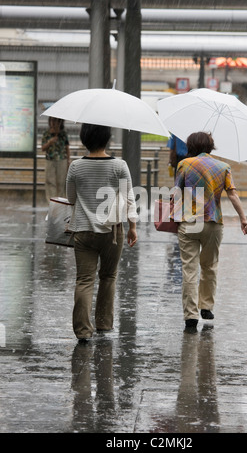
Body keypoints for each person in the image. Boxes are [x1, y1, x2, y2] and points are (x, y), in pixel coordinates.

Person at [66, 123, 138, 342]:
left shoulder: (76, 166)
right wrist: (132, 226)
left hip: (84, 230)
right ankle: (104, 324)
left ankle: (82, 331)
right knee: (108, 277)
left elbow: (71, 198)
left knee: (84, 280)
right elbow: (129, 198)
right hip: (112, 231)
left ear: (84, 139)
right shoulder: (119, 166)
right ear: (107, 139)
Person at [173, 132, 247, 331]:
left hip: (189, 221)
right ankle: (206, 306)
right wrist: (243, 219)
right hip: (213, 223)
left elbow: (176, 192)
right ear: (210, 146)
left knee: (189, 269)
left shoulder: (185, 164)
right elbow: (232, 195)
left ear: (191, 145)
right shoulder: (223, 167)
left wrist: (172, 214)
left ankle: (190, 316)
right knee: (210, 266)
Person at [41, 116, 70, 202]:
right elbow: (43, 148)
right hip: (50, 160)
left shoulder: (63, 134)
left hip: (62, 161)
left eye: (55, 121)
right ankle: (51, 202)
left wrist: (68, 161)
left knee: (61, 183)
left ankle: (61, 202)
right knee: (50, 182)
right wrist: (50, 142)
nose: (53, 123)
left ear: (60, 122)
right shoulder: (46, 133)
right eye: (51, 121)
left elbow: (67, 148)